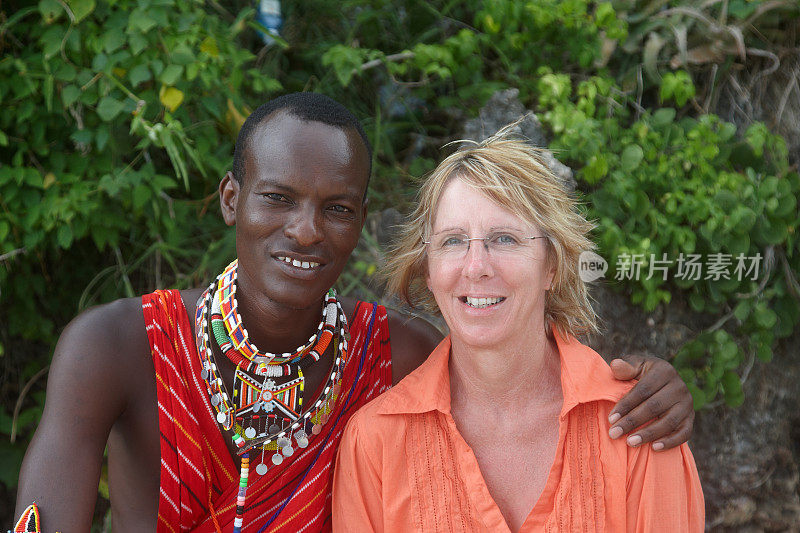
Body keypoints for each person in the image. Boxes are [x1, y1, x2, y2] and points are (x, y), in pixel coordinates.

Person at [14, 94, 694, 532]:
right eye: (277, 197)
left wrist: (645, 388)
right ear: (231, 199)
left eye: (336, 208)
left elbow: (510, 369)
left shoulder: (396, 355)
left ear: (360, 221)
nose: (306, 230)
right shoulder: (118, 345)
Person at [332, 128, 704, 532]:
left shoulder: (641, 424)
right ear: (428, 269)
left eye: (504, 239)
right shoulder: (375, 441)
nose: (476, 266)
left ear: (553, 265)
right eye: (453, 241)